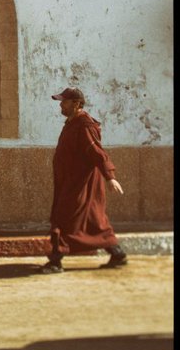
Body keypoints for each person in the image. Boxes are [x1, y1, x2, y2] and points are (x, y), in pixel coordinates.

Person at [41, 86, 128, 274]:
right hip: (72, 182)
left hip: (82, 184)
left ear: (76, 103)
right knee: (95, 220)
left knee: (62, 217)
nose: (61, 106)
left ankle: (56, 261)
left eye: (64, 102)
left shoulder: (84, 124)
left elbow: (97, 152)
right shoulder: (72, 122)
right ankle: (117, 254)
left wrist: (110, 177)